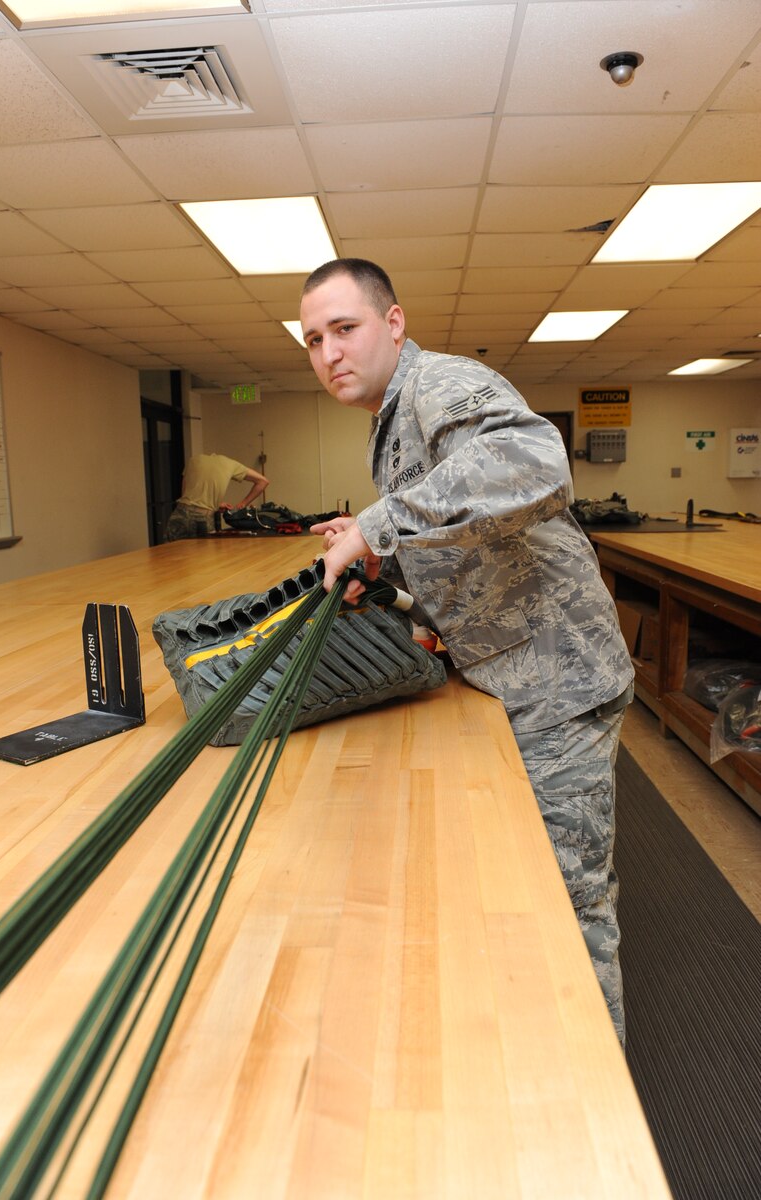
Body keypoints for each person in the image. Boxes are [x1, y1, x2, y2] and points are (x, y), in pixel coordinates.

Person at [299, 258, 634, 1044]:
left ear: (393, 324)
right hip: (513, 674)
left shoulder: (438, 384)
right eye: (313, 340)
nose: (329, 353)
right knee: (531, 887)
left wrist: (377, 524)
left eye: (344, 328)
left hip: (557, 684)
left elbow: (533, 465)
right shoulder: (390, 419)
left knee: (569, 898)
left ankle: (596, 1090)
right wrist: (384, 558)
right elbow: (465, 537)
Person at [165, 452, 269, 541]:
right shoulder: (230, 463)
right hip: (203, 519)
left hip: (180, 513)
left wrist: (215, 505)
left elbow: (186, 493)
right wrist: (242, 504)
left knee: (169, 555)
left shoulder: (193, 460)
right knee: (205, 557)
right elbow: (263, 481)